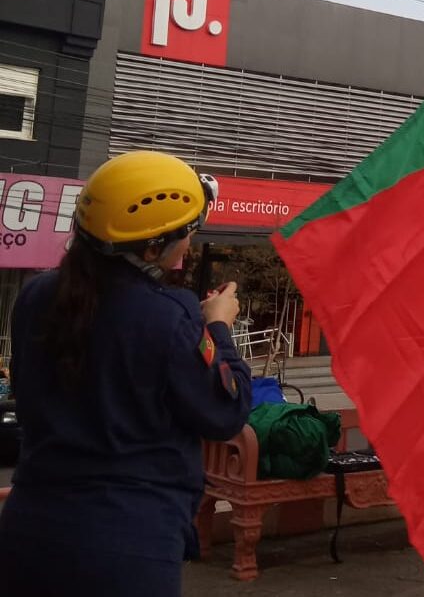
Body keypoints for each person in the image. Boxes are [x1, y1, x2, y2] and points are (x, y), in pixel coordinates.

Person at [0, 151, 253, 596]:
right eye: (188, 232)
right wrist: (218, 326)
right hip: (125, 546)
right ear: (153, 248)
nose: (190, 244)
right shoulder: (171, 319)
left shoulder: (36, 297)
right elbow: (225, 410)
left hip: (28, 531)